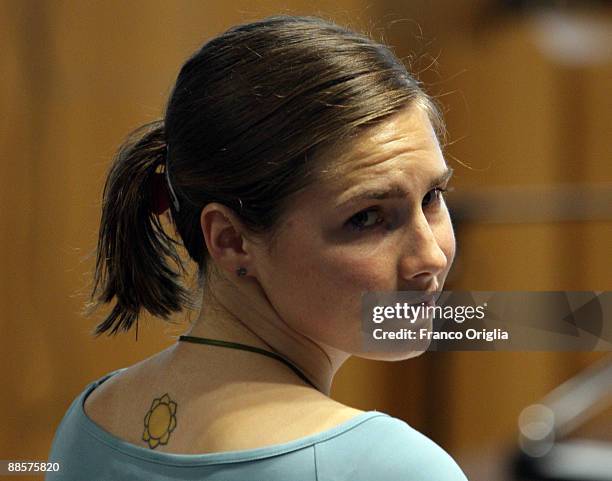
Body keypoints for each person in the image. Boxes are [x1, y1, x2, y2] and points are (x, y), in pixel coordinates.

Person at [47, 14, 466, 481]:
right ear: (230, 241)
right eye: (366, 217)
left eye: (432, 197)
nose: (430, 256)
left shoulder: (85, 422)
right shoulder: (393, 467)